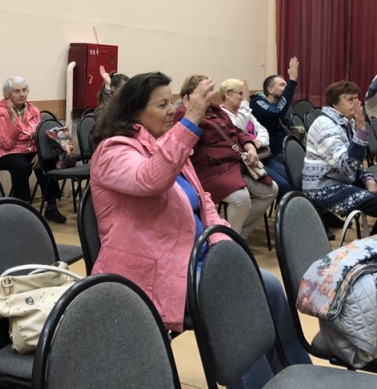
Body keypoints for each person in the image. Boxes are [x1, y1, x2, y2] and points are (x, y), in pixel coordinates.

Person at [90, 72, 311, 387]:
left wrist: (221, 244)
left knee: (270, 287)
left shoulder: (167, 144)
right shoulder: (113, 151)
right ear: (135, 112)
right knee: (235, 298)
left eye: (172, 102)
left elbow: (204, 203)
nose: (172, 110)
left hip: (198, 257)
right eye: (162, 105)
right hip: (154, 270)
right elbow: (150, 179)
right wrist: (190, 120)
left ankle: (298, 375)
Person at [303, 81, 377, 239]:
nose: (356, 103)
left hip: (343, 180)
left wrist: (368, 178)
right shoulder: (325, 126)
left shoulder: (345, 122)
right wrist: (361, 130)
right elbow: (347, 166)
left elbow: (355, 165)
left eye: (357, 98)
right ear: (335, 103)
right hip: (324, 187)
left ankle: (376, 242)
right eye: (350, 99)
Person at [175, 75, 277, 239]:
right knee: (241, 198)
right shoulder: (183, 114)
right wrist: (192, 115)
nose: (209, 94)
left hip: (234, 164)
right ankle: (229, 242)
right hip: (209, 170)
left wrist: (250, 146)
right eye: (205, 91)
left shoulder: (215, 110)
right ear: (190, 94)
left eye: (210, 91)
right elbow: (183, 145)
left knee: (272, 190)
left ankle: (235, 235)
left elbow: (236, 131)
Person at [0, 76, 66, 223]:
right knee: (21, 166)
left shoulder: (33, 110)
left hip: (28, 149)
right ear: (7, 95)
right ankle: (23, 209)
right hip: (2, 152)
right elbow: (7, 143)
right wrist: (13, 120)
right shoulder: (1, 113)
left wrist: (39, 153)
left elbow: (39, 135)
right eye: (17, 91)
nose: (22, 94)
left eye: (24, 90)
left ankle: (51, 207)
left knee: (46, 161)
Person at [220, 78, 290, 197]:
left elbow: (262, 130)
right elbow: (237, 130)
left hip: (262, 154)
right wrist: (245, 104)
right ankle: (284, 208)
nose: (244, 98)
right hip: (247, 163)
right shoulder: (222, 115)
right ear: (228, 95)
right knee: (282, 185)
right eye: (241, 94)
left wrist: (258, 142)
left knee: (291, 176)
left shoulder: (245, 111)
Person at [249, 56, 300, 159]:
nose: (286, 88)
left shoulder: (280, 105)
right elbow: (276, 111)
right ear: (271, 89)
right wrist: (292, 81)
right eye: (282, 85)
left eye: (286, 85)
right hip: (273, 154)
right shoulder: (257, 102)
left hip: (287, 149)